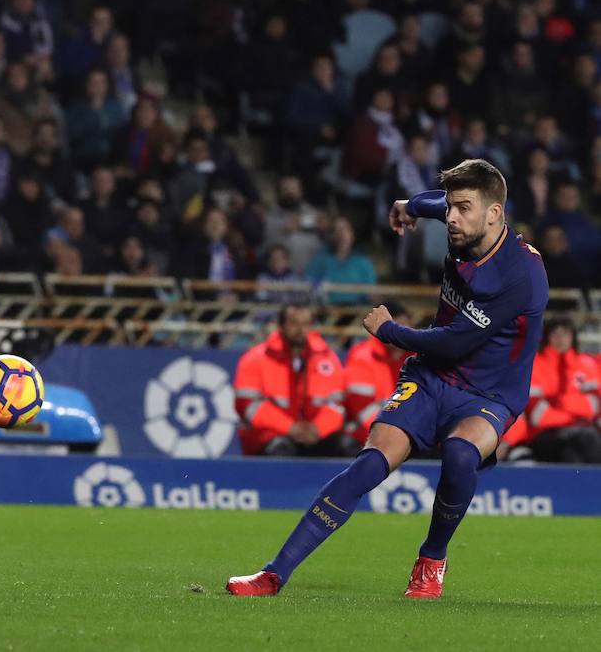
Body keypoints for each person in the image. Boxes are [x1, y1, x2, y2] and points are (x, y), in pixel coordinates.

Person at [227, 159, 548, 599]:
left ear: (494, 215)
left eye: (464, 208)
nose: (452, 217)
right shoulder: (465, 225)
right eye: (451, 207)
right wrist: (410, 205)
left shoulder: (521, 276)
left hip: (490, 392)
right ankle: (273, 574)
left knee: (458, 453)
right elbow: (439, 205)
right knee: (371, 463)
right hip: (433, 378)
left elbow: (455, 342)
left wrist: (389, 330)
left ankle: (432, 558)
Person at [233, 302, 353, 458]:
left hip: (314, 434)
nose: (301, 330)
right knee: (280, 448)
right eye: (294, 323)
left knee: (348, 447)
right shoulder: (255, 359)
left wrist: (318, 429)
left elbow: (338, 405)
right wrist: (290, 428)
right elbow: (247, 406)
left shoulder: (327, 359)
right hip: (270, 435)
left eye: (306, 324)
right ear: (280, 326)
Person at [499, 318, 601, 464]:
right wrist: (574, 414)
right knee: (570, 450)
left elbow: (595, 406)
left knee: (589, 441)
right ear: (547, 336)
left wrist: (559, 402)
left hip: (583, 432)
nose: (561, 339)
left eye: (565, 334)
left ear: (573, 337)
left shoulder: (586, 364)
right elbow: (537, 414)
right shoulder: (534, 364)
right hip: (543, 434)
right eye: (555, 334)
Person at [343, 302, 413, 445]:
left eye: (405, 328)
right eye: (396, 327)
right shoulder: (362, 357)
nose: (401, 333)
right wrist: (395, 435)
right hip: (367, 436)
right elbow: (363, 410)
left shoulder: (419, 356)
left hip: (411, 434)